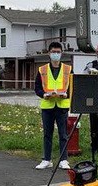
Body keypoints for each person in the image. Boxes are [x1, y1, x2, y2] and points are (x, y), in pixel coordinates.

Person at [34, 42, 72, 170]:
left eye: (58, 52)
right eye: (53, 52)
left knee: (63, 134)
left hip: (62, 106)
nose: (56, 54)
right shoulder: (42, 69)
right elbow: (37, 88)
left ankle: (64, 160)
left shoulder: (68, 69)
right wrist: (44, 95)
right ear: (49, 53)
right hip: (48, 106)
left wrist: (66, 95)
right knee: (47, 134)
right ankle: (46, 159)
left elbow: (73, 87)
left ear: (62, 53)